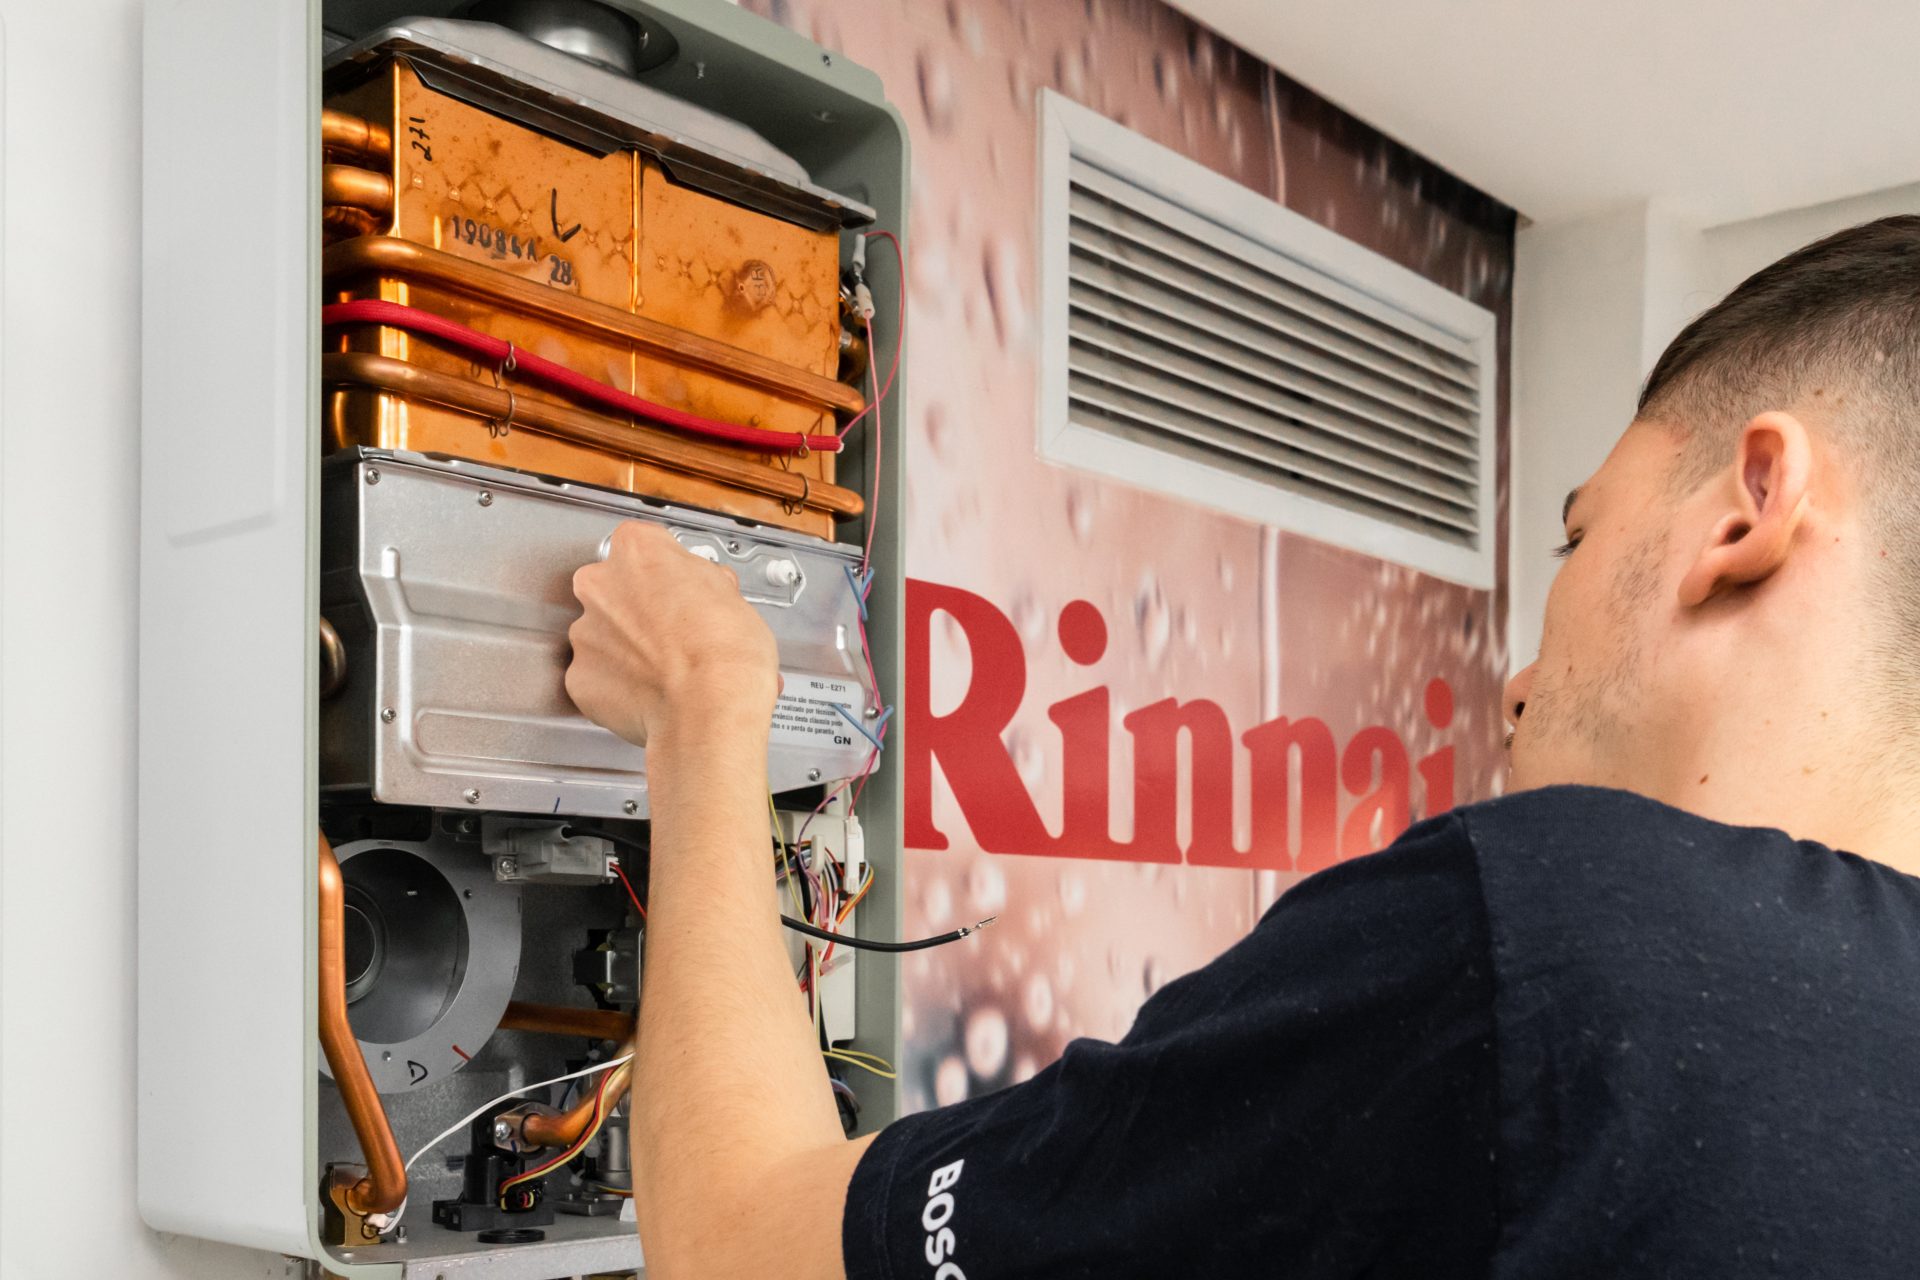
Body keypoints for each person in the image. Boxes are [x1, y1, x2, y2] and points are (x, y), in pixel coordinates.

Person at [562, 216, 1920, 1279]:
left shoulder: (1556, 931)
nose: (1517, 679)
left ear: (1750, 507)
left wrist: (701, 708)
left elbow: (743, 1249)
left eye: (1578, 534)